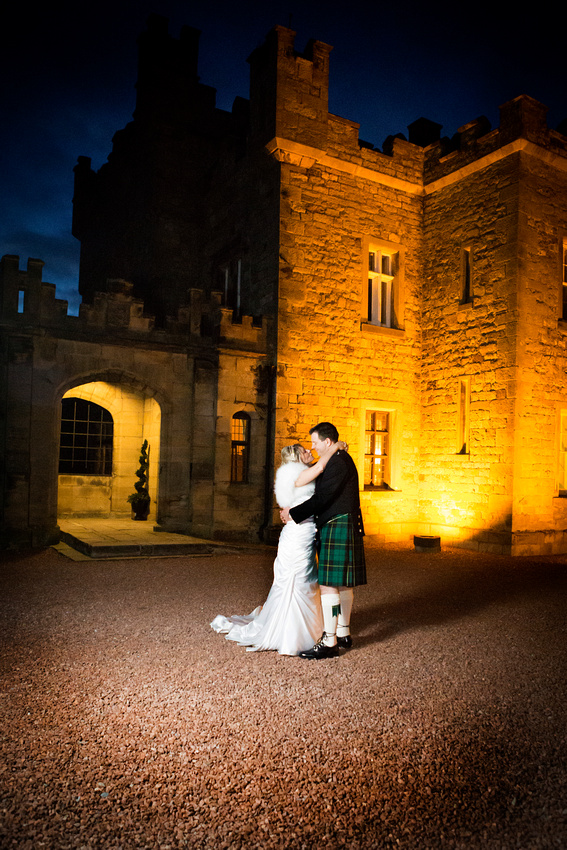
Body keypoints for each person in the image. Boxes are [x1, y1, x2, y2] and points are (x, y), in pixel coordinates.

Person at [210, 440, 345, 655]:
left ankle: (306, 630)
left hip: (300, 533)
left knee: (302, 580)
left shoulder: (293, 473)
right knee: (298, 580)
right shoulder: (296, 473)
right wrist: (334, 447)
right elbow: (320, 468)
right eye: (304, 451)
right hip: (298, 535)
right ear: (297, 457)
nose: (309, 451)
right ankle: (292, 635)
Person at [280, 422, 366, 659]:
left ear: (327, 442)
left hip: (336, 523)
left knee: (329, 583)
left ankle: (329, 641)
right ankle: (344, 632)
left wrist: (293, 514)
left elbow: (322, 498)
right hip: (339, 522)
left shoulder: (338, 462)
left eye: (316, 442)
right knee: (342, 583)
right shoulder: (337, 458)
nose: (313, 447)